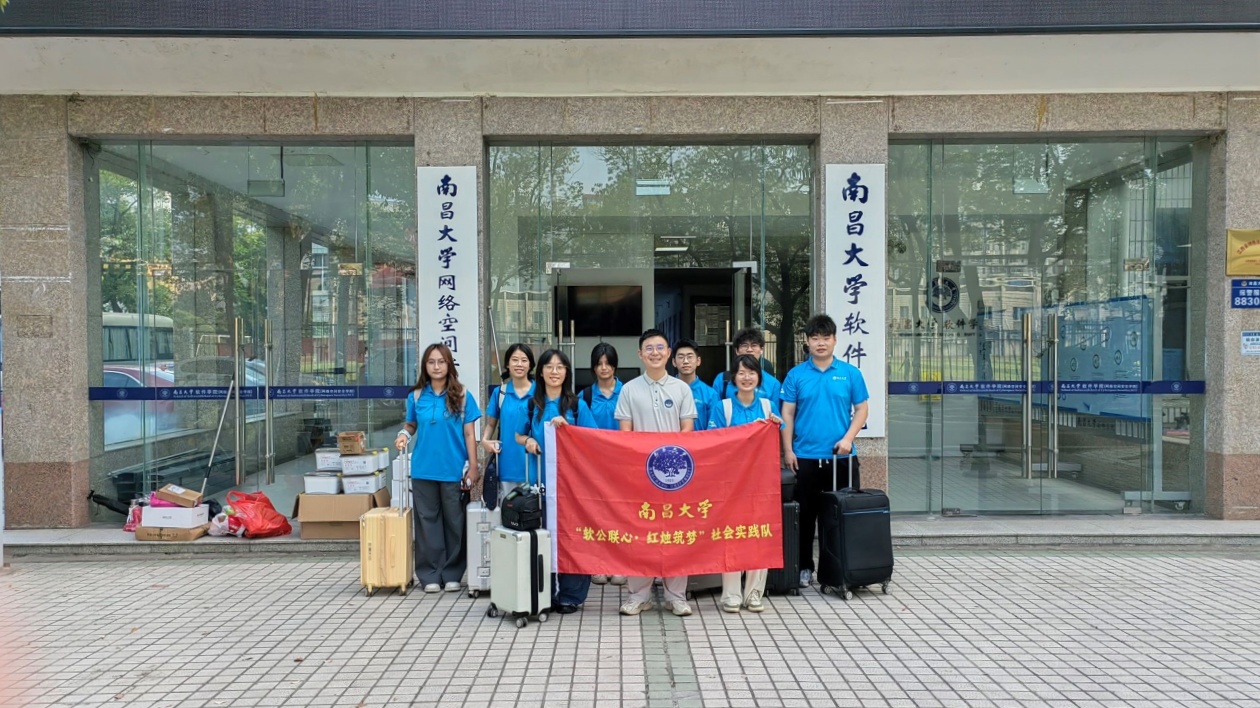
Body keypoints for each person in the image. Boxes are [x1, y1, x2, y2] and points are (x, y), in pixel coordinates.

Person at [780, 314, 870, 589]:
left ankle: (843, 569)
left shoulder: (850, 373)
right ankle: (804, 567)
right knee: (804, 517)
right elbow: (787, 413)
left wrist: (847, 439)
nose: (820, 343)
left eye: (826, 338)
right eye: (815, 338)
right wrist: (788, 451)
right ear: (807, 341)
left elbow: (862, 410)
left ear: (834, 340)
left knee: (842, 516)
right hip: (805, 458)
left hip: (841, 457)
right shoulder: (796, 375)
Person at [615, 329, 698, 617]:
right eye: (648, 348)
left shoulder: (681, 389)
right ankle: (639, 595)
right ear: (640, 354)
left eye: (659, 347)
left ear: (668, 354)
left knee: (676, 533)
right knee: (639, 533)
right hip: (639, 475)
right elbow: (625, 434)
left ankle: (676, 595)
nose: (654, 352)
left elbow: (687, 430)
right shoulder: (628, 389)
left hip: (676, 476)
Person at [516, 348, 598, 615]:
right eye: (549, 367)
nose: (554, 372)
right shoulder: (532, 404)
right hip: (540, 484)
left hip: (570, 486)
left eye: (560, 367)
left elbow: (592, 439)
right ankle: (543, 592)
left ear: (567, 373)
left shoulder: (577, 405)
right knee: (542, 537)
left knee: (572, 537)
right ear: (540, 372)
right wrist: (527, 441)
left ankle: (571, 595)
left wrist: (569, 430)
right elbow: (519, 435)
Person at [395, 343, 481, 594]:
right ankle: (430, 573)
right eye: (431, 362)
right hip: (423, 470)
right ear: (425, 366)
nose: (436, 366)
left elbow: (469, 433)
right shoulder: (417, 396)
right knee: (427, 523)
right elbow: (411, 424)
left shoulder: (463, 394)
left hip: (453, 470)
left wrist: (474, 466)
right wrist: (403, 435)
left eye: (441, 361)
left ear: (449, 364)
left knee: (455, 523)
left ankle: (453, 573)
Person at [709, 354, 783, 613]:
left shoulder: (767, 406)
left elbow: (776, 442)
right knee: (731, 536)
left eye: (751, 373)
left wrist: (774, 425)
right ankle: (730, 594)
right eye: (741, 373)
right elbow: (714, 443)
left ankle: (754, 593)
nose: (746, 377)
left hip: (761, 485)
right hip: (730, 485)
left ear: (759, 378)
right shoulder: (723, 407)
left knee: (758, 535)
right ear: (733, 378)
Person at [580, 342, 628, 587]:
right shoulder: (585, 396)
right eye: (599, 364)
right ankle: (598, 564)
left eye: (608, 363)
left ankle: (619, 564)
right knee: (596, 516)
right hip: (594, 467)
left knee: (620, 515)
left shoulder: (628, 392)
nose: (604, 368)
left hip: (622, 466)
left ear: (615, 365)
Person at [480, 343, 536, 501]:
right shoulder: (501, 393)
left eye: (524, 360)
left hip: (534, 467)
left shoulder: (540, 393)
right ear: (507, 364)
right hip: (507, 466)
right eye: (515, 360)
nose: (519, 364)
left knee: (533, 515)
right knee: (508, 514)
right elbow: (491, 424)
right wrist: (485, 441)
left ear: (530, 364)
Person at [712, 327, 781, 404]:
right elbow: (715, 411)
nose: (749, 350)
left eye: (754, 345)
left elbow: (774, 414)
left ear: (761, 349)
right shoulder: (722, 379)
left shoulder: (773, 383)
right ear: (737, 351)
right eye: (744, 345)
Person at [672, 338, 719, 431]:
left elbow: (714, 428)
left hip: (701, 444)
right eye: (681, 357)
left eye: (690, 357)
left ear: (698, 361)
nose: (685, 361)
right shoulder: (666, 390)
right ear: (674, 362)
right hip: (672, 444)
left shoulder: (710, 394)